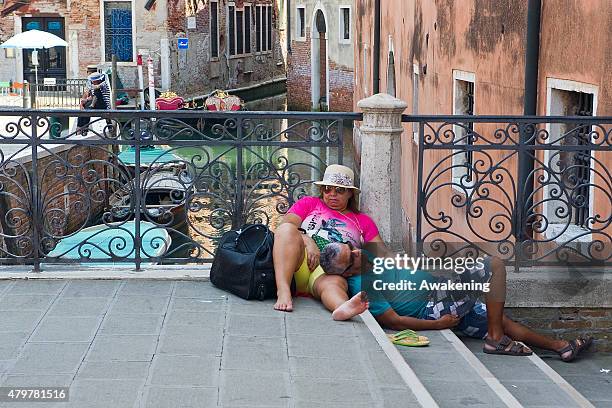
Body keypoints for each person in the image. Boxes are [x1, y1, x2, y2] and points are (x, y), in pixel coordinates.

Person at [320, 242, 593, 361]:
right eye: (352, 257)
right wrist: (438, 324)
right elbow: (393, 320)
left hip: (442, 293)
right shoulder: (362, 288)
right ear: (347, 272)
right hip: (434, 308)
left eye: (351, 247)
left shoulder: (368, 256)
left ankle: (561, 347)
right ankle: (495, 340)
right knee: (494, 265)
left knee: (500, 318)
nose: (356, 251)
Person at [273, 164, 386, 319]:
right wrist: (308, 241)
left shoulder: (362, 221)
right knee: (286, 230)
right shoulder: (309, 203)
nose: (332, 194)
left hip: (327, 272)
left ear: (350, 194)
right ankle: (283, 290)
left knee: (333, 284)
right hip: (297, 261)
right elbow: (286, 226)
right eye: (327, 188)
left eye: (339, 190)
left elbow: (380, 252)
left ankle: (343, 308)